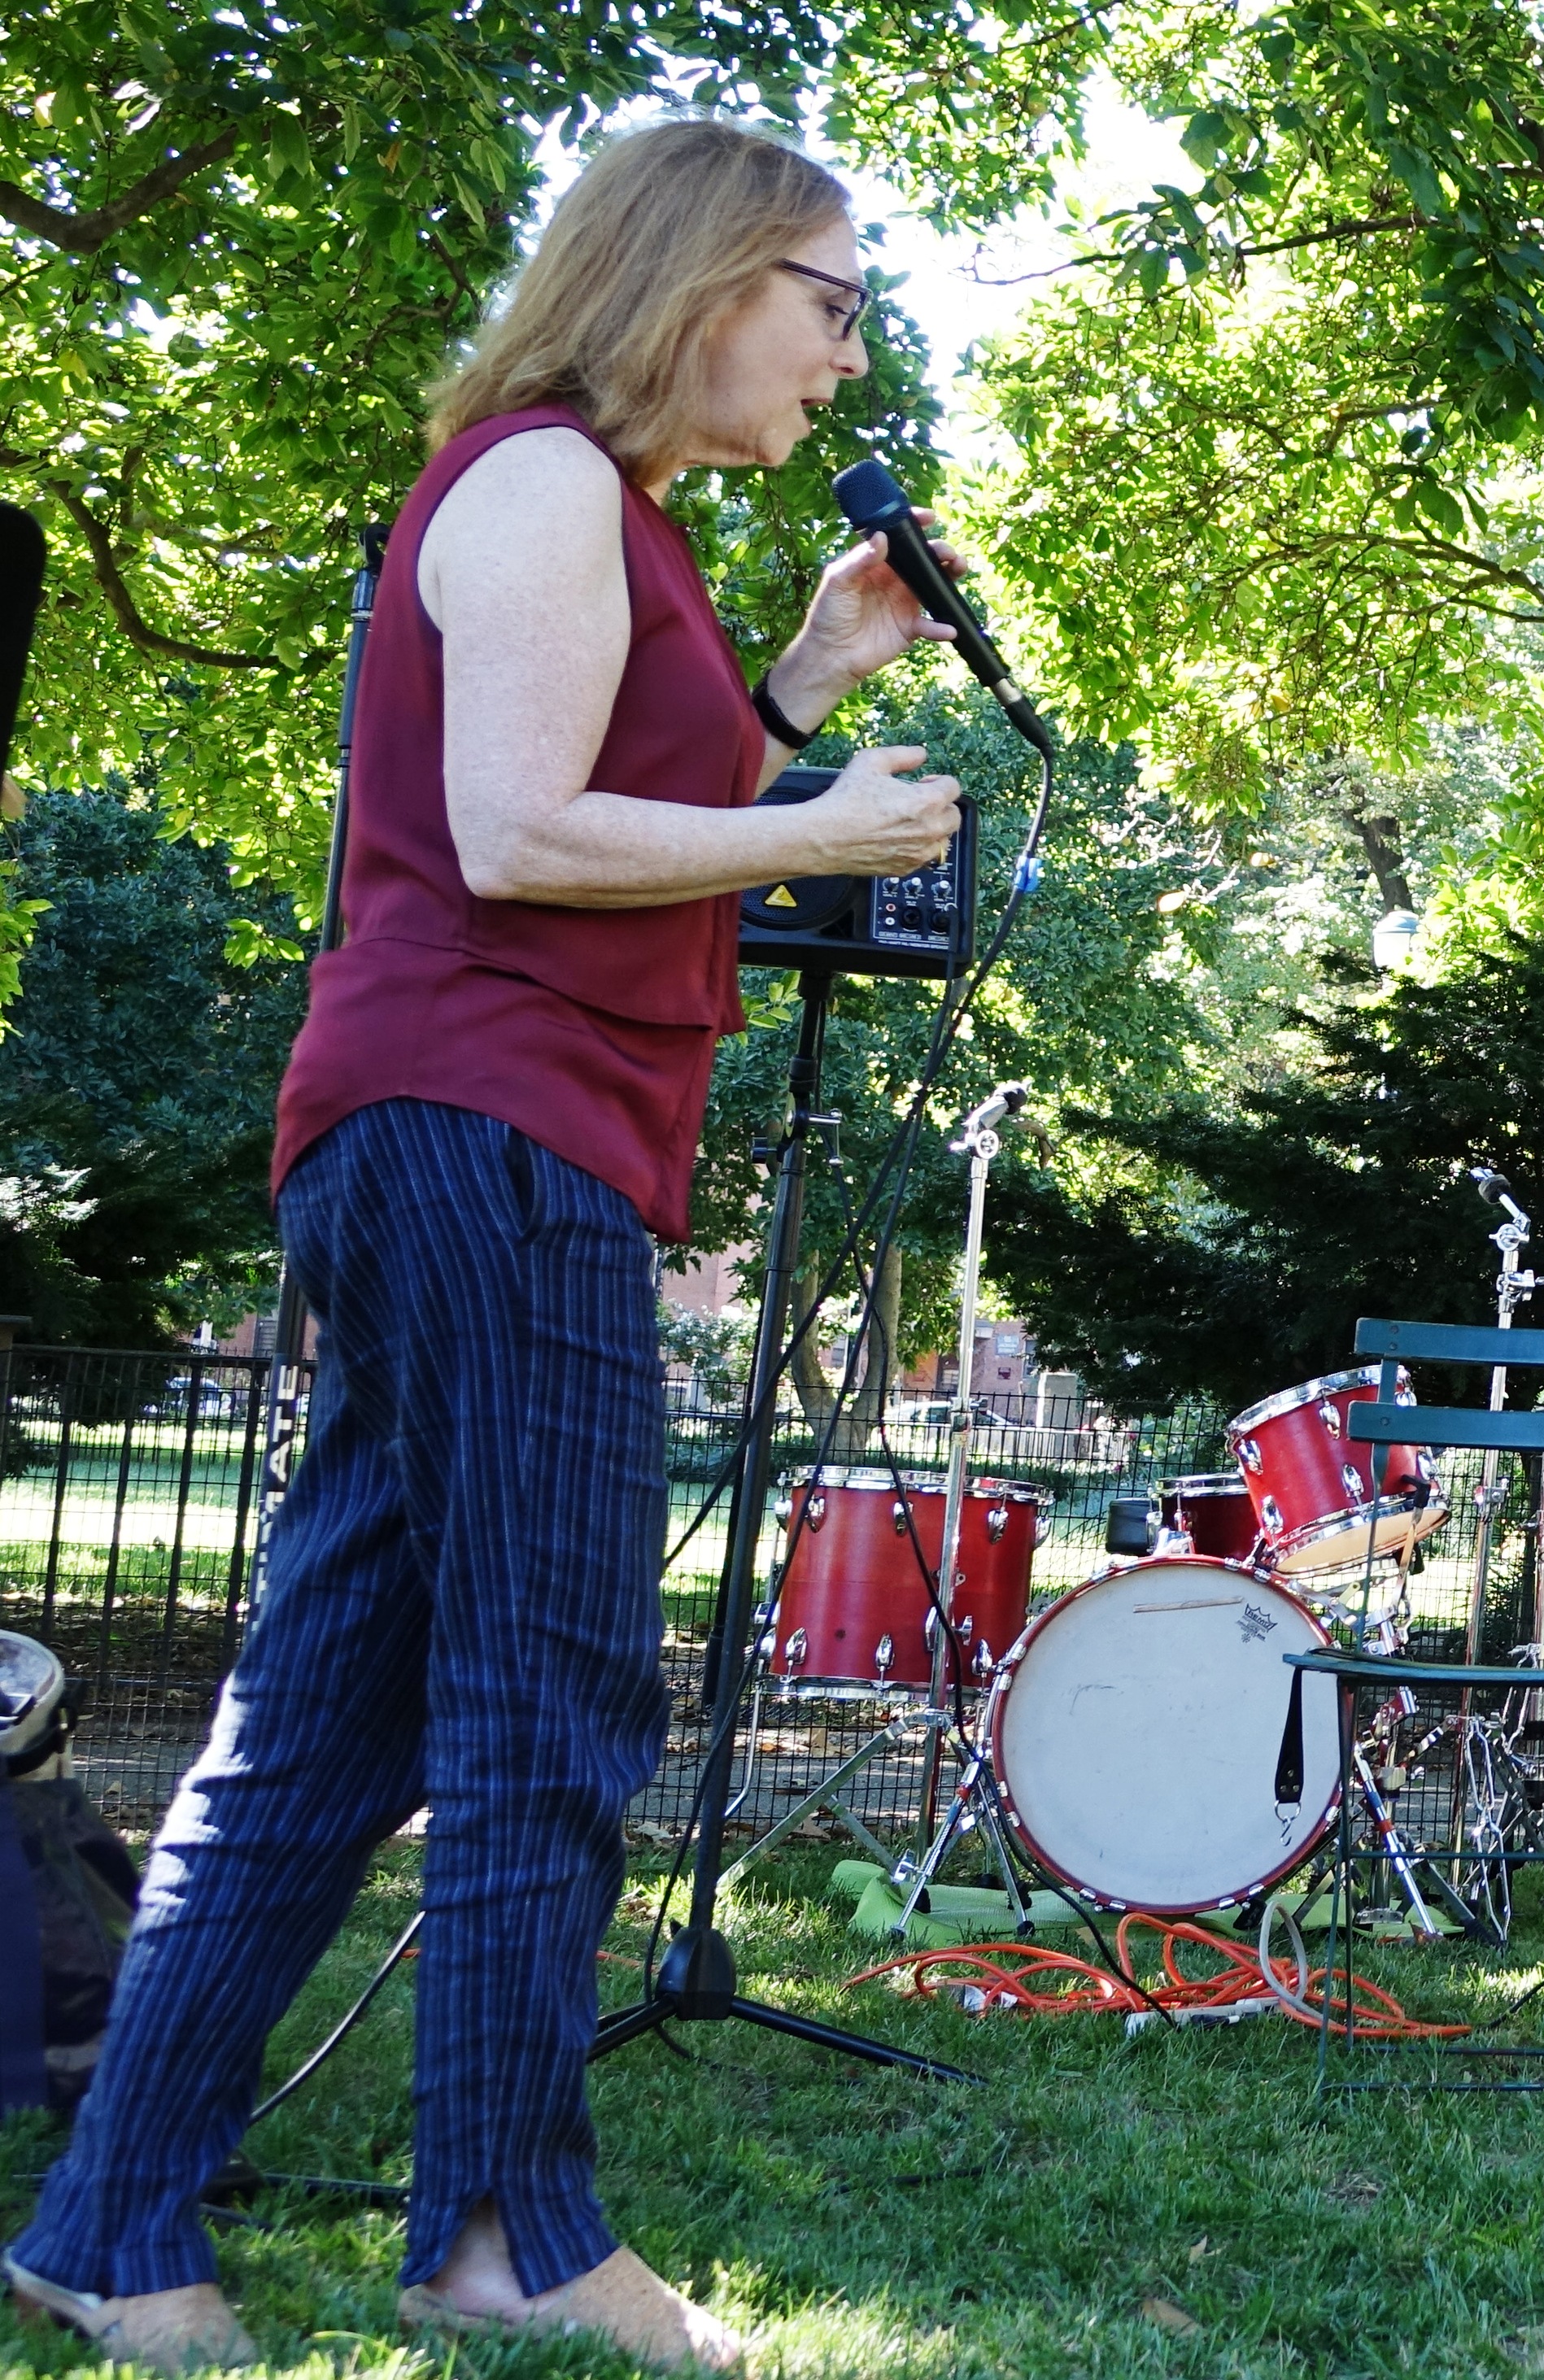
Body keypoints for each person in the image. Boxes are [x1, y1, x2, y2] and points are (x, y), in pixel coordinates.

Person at [3, 119, 970, 2373]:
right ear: (706, 276)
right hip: (484, 1133)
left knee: (331, 1714)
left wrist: (800, 690)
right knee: (550, 1697)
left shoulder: (589, 511)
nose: (847, 352)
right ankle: (508, 2229)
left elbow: (612, 792)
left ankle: (114, 2217)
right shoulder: (541, 481)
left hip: (458, 1134)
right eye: (832, 296)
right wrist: (817, 830)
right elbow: (519, 830)